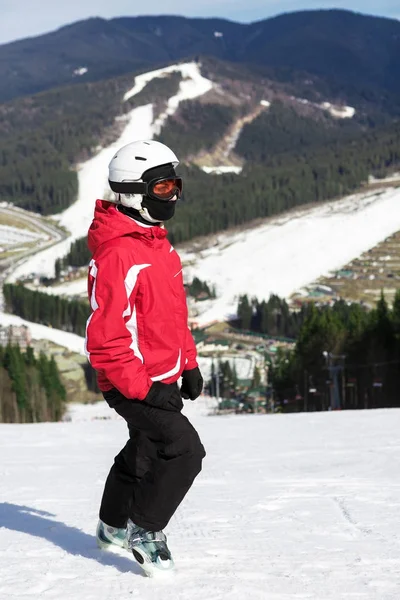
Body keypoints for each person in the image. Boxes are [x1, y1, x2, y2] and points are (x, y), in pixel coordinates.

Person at [85, 139, 206, 575]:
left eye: (176, 184)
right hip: (130, 382)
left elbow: (173, 318)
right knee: (183, 449)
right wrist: (145, 390)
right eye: (162, 187)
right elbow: (106, 340)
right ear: (134, 192)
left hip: (162, 377)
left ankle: (111, 527)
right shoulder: (120, 254)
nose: (172, 194)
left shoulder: (157, 246)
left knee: (143, 451)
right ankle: (146, 530)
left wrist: (187, 364)